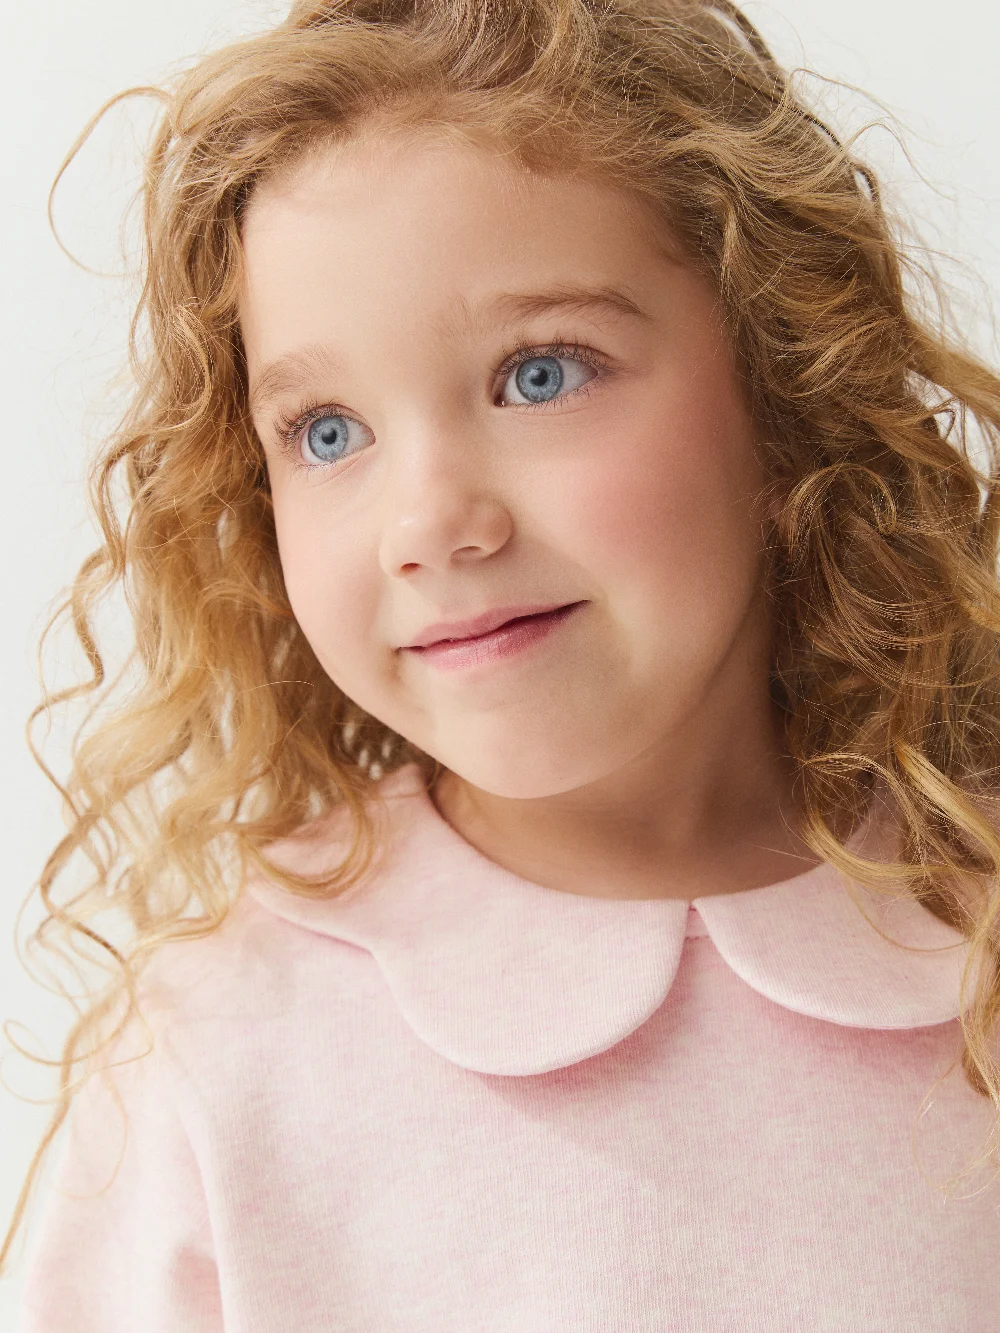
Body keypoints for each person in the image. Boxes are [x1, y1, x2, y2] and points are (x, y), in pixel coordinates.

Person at [7, 0, 1000, 1326]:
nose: (428, 525)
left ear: (787, 384)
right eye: (328, 431)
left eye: (539, 376)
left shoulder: (975, 947)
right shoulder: (217, 1053)